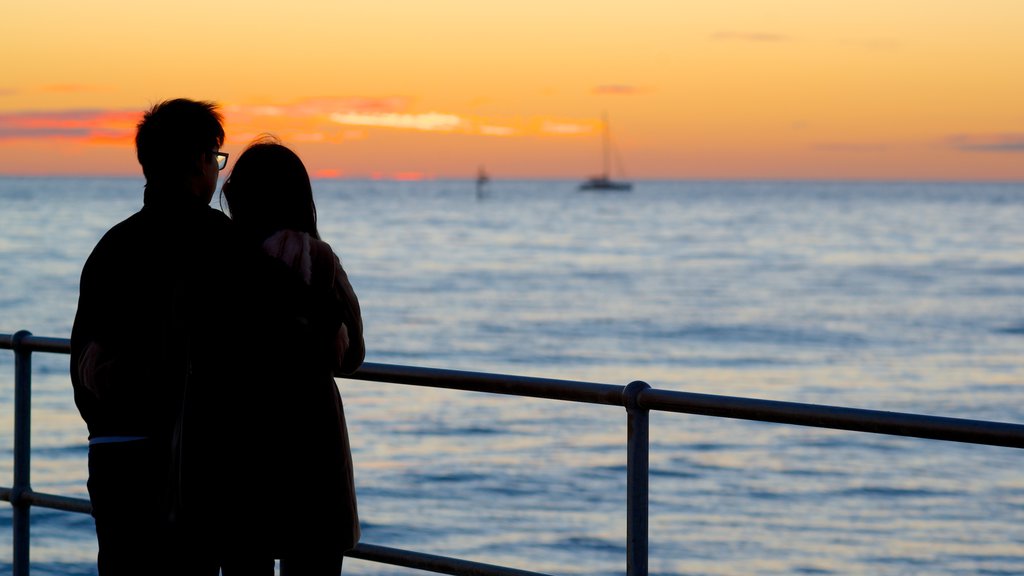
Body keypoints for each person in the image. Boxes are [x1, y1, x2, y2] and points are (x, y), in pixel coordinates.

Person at [69, 98, 245, 576]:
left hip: (113, 456)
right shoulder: (220, 241)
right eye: (216, 158)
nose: (217, 171)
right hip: (192, 461)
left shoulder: (112, 246)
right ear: (197, 160)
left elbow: (82, 360)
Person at [217, 136, 365, 575]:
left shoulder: (219, 260)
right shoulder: (315, 260)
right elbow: (353, 353)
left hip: (238, 440)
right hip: (311, 443)